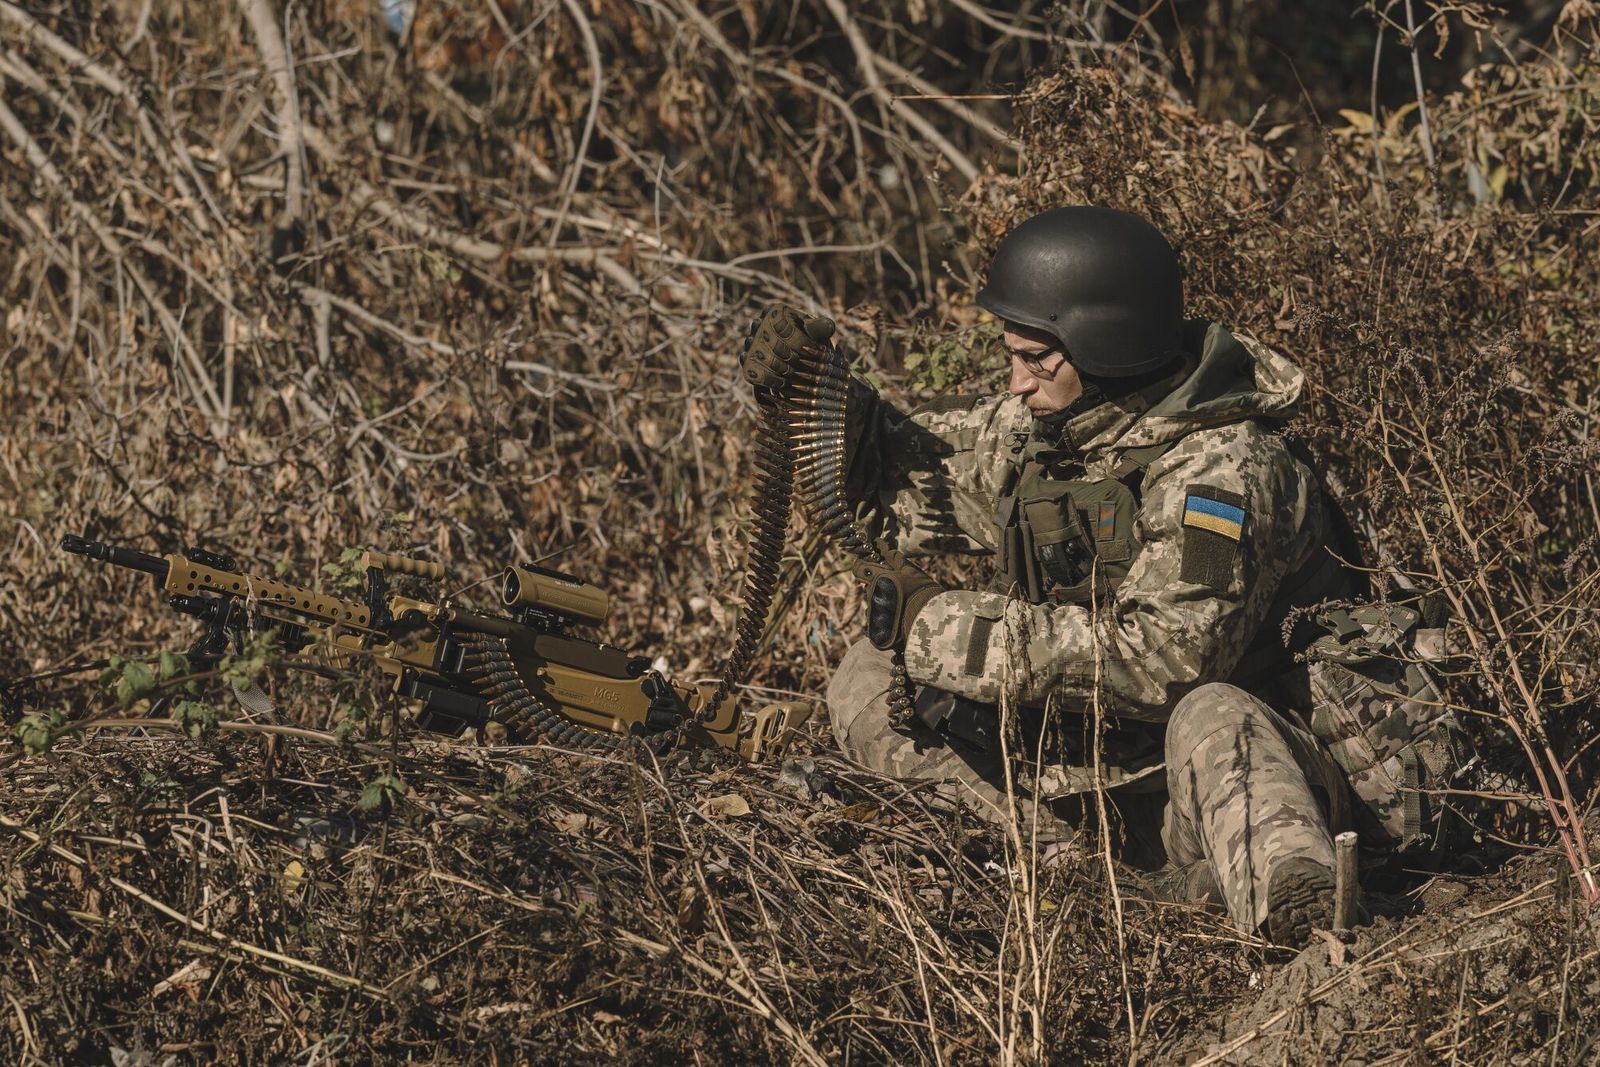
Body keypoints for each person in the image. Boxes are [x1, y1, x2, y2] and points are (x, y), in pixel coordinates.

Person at [742, 206, 1462, 948]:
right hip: (1090, 770)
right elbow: (906, 474)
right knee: (866, 672)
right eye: (1011, 355)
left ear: (1103, 346)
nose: (1015, 382)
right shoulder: (1051, 426)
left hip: (1236, 776)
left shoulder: (1224, 472)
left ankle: (1304, 915)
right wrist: (819, 398)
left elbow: (1167, 663)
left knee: (1214, 712)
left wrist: (949, 628)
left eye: (1036, 359)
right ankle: (1065, 871)